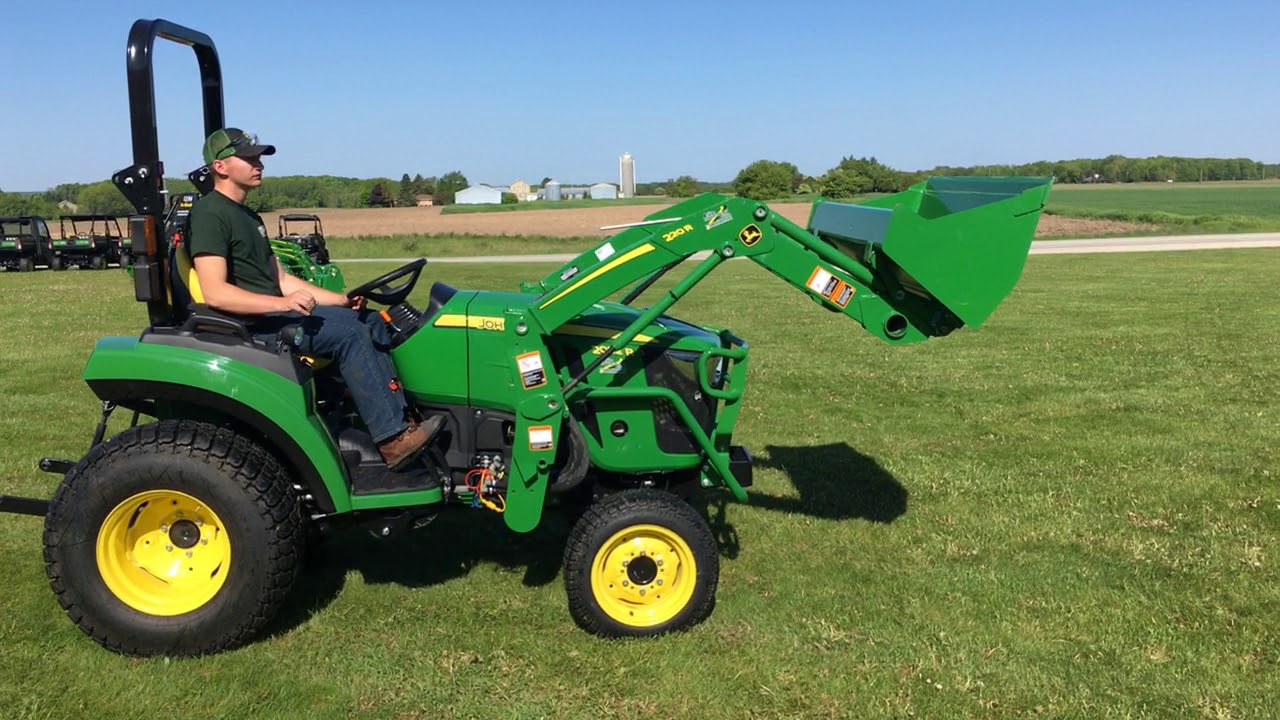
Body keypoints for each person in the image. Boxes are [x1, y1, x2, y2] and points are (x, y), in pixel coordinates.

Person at [186, 127, 441, 470]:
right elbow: (215, 291)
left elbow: (281, 279)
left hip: (275, 315)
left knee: (370, 321)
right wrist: (280, 304)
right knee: (351, 335)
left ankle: (390, 413)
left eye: (258, 157)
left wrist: (340, 298)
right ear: (220, 166)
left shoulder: (247, 216)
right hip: (255, 326)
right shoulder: (209, 214)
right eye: (249, 158)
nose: (258, 163)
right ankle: (393, 440)